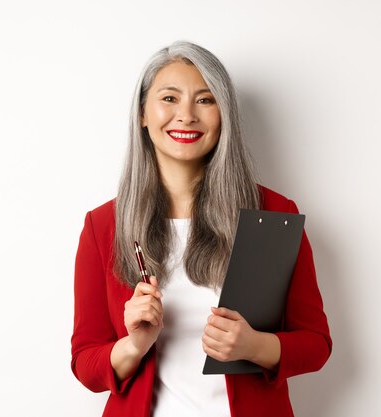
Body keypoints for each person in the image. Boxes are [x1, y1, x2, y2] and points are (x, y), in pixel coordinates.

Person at [71, 40, 332, 417]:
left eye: (205, 100)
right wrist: (133, 345)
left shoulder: (274, 213)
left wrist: (253, 346)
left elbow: (316, 344)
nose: (187, 115)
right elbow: (85, 364)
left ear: (223, 115)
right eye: (170, 98)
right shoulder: (103, 225)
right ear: (143, 113)